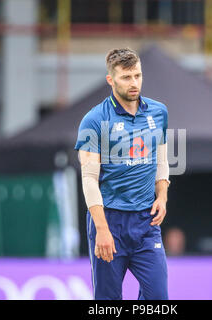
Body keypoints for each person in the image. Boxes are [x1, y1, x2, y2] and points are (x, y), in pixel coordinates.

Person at [74, 48, 170, 300]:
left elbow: (160, 160)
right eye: (126, 77)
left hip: (146, 223)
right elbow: (89, 179)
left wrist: (162, 195)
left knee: (158, 297)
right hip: (110, 222)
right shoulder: (93, 120)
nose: (134, 83)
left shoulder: (158, 112)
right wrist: (102, 229)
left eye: (137, 76)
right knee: (108, 301)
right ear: (111, 80)